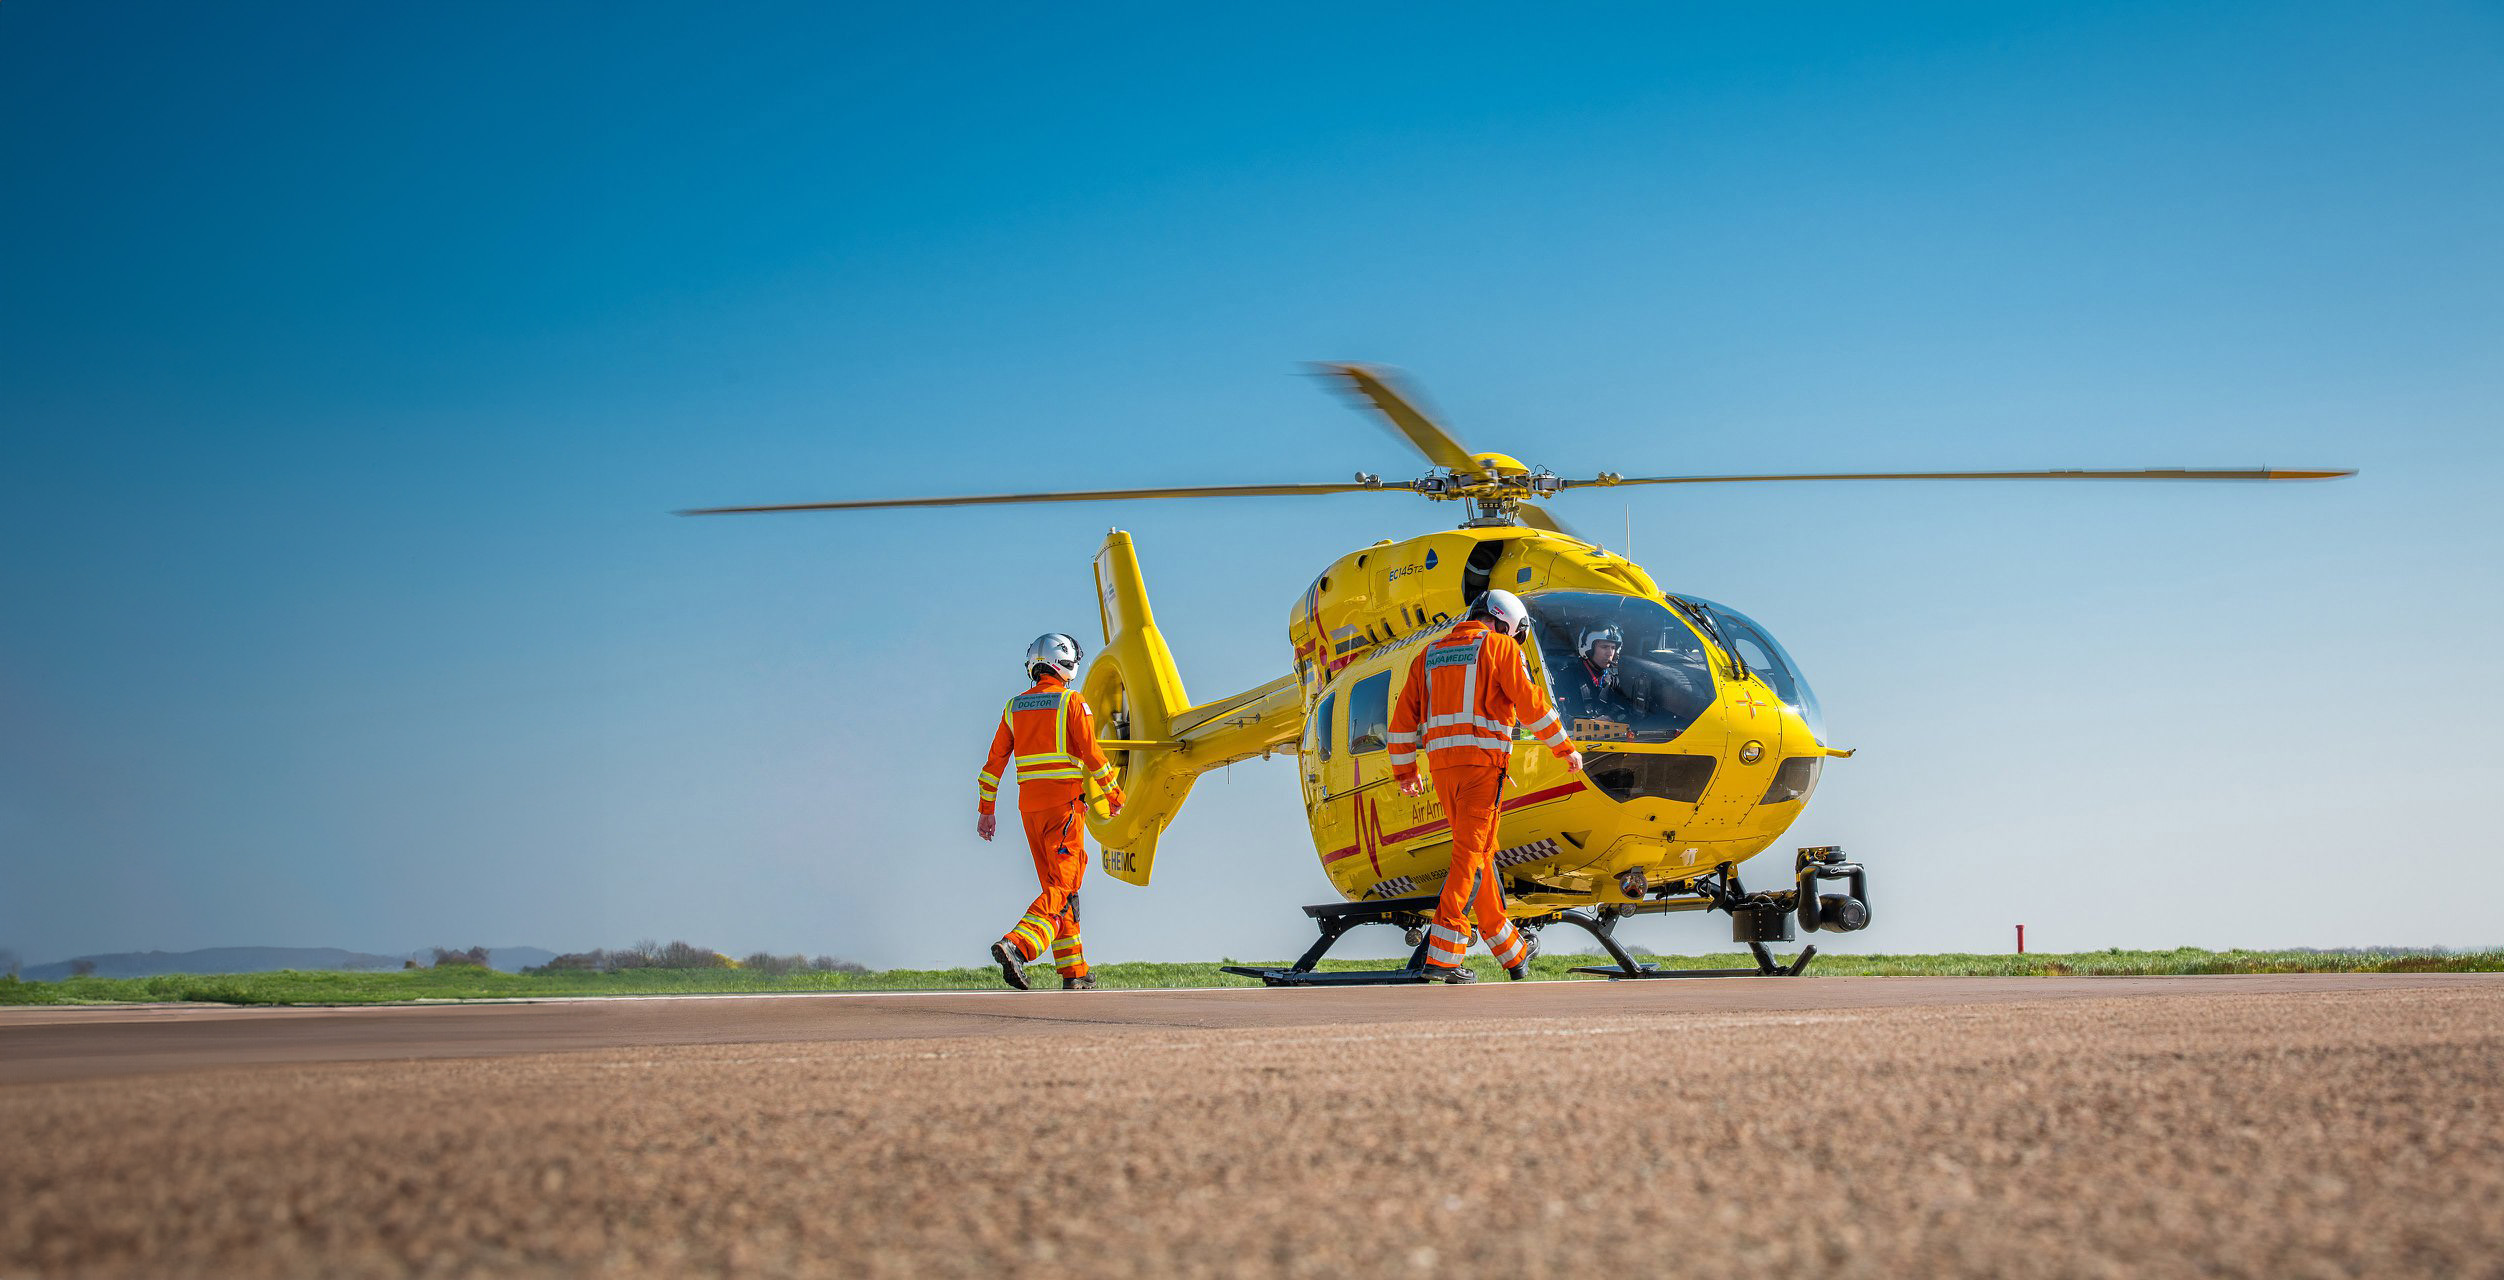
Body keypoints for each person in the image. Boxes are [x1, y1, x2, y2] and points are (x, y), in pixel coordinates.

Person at [1386, 590, 1584, 983]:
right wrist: (1565, 749)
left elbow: (1402, 723)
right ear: (1505, 622)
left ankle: (1511, 951)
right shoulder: (1501, 649)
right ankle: (1443, 958)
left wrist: (1406, 772)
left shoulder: (1427, 655)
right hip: (1482, 768)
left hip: (1443, 771)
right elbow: (1531, 706)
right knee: (1470, 859)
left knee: (1480, 852)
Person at [976, 632, 1123, 991]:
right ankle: (1018, 946)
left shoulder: (1014, 707)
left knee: (1058, 889)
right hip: (1064, 809)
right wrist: (1113, 794)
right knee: (1063, 885)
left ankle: (1074, 972)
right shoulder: (1072, 702)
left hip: (1030, 811)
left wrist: (986, 811)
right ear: (1067, 664)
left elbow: (993, 764)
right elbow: (1093, 755)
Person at [1557, 624, 1626, 721]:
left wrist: (1612, 717)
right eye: (1604, 647)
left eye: (1613, 648)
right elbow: (1558, 716)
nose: (1610, 653)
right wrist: (1590, 724)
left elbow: (1625, 709)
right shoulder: (1566, 678)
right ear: (1588, 648)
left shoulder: (1615, 681)